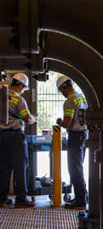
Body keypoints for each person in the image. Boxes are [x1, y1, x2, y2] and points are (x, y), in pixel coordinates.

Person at [0, 73, 36, 208]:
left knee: (4, 167)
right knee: (21, 167)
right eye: (23, 88)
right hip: (15, 137)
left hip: (1, 135)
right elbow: (27, 119)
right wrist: (34, 118)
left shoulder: (0, 95)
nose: (22, 91)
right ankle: (21, 198)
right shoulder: (18, 100)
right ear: (20, 86)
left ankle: (2, 199)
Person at [56, 75, 88, 210]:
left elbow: (67, 123)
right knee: (78, 167)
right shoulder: (81, 96)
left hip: (75, 136)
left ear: (63, 88)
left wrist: (60, 123)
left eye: (61, 91)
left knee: (74, 168)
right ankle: (82, 195)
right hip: (84, 134)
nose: (62, 94)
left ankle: (80, 201)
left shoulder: (69, 100)